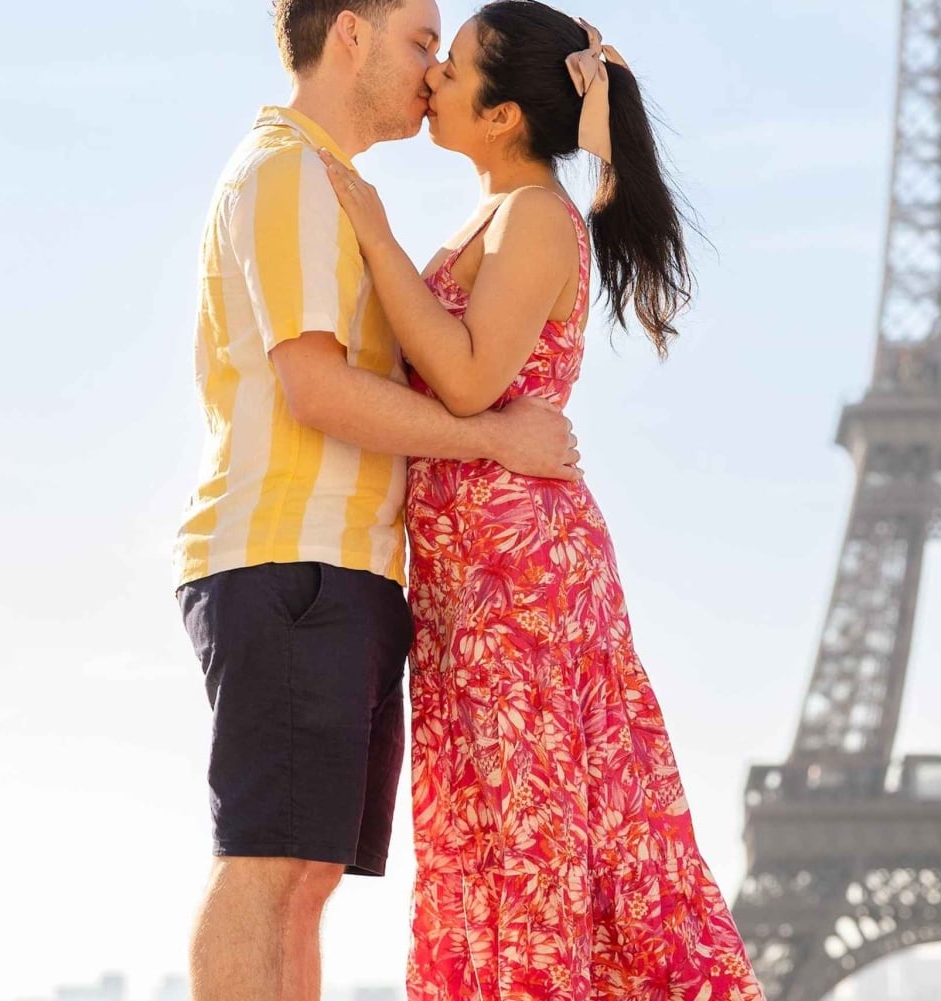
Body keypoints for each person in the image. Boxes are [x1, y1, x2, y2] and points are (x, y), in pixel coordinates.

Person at [319, 3, 764, 998]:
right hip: (471, 584)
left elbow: (471, 380)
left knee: (529, 840)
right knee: (498, 837)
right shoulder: (492, 212)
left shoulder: (533, 217)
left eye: (454, 65)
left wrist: (374, 235)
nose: (431, 77)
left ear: (506, 114)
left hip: (519, 584)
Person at [172, 2, 581, 1000]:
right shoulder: (286, 173)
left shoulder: (334, 187)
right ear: (349, 32)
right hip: (290, 559)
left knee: (306, 874)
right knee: (268, 862)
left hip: (343, 568)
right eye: (418, 41)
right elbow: (314, 387)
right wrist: (492, 436)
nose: (433, 69)